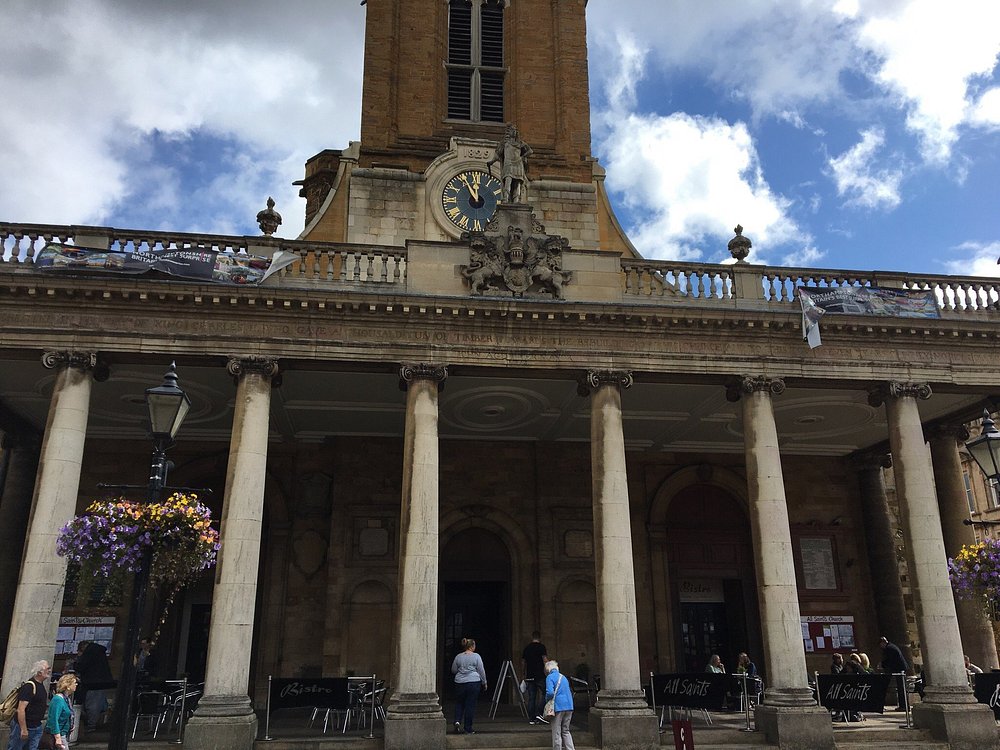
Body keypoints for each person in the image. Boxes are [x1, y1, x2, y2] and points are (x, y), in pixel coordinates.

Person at [8, 660, 50, 750]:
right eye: (47, 669)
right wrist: (23, 729)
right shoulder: (29, 687)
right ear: (39, 672)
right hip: (24, 726)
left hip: (36, 726)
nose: (49, 671)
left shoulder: (40, 686)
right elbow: (21, 709)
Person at [486, 124, 533, 203]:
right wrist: (491, 162)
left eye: (515, 131)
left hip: (518, 163)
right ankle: (506, 198)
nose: (514, 132)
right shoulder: (504, 143)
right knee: (508, 180)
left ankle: (516, 199)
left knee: (517, 182)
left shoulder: (520, 143)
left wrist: (522, 157)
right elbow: (498, 154)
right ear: (509, 132)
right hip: (508, 163)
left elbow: (530, 151)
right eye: (512, 131)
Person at [74, 640, 113, 732]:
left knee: (91, 705)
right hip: (101, 682)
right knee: (97, 704)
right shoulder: (99, 652)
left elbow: (82, 666)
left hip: (92, 683)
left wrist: (76, 663)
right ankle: (93, 723)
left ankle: (91, 725)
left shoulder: (90, 653)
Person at [451, 637, 487, 734]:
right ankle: (468, 728)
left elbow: (453, 670)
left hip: (459, 682)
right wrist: (484, 682)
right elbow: (481, 670)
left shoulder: (458, 656)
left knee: (459, 703)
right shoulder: (476, 656)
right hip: (473, 682)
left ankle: (457, 721)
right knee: (470, 705)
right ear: (472, 646)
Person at [545, 660, 575, 750]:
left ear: (548, 670)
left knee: (556, 731)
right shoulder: (563, 677)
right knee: (566, 730)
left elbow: (550, 692)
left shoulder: (550, 677)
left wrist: (546, 700)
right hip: (569, 706)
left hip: (558, 707)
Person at [522, 631, 548, 725]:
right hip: (540, 675)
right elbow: (544, 660)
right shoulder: (541, 647)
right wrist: (549, 670)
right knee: (546, 693)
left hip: (530, 675)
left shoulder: (527, 648)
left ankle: (531, 718)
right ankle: (539, 712)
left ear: (532, 637)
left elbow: (523, 663)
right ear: (539, 638)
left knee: (531, 697)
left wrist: (523, 674)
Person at [46, 673, 78, 749]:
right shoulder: (58, 700)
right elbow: (53, 719)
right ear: (68, 686)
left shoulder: (67, 699)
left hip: (64, 733)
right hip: (58, 735)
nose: (76, 685)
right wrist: (57, 738)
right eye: (74, 683)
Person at [878, 636, 909, 710]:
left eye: (880, 645)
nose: (881, 647)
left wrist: (882, 665)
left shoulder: (889, 648)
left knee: (902, 688)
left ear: (883, 643)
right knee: (901, 688)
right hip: (900, 669)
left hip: (900, 669)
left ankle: (903, 706)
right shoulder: (891, 647)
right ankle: (904, 705)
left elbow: (890, 660)